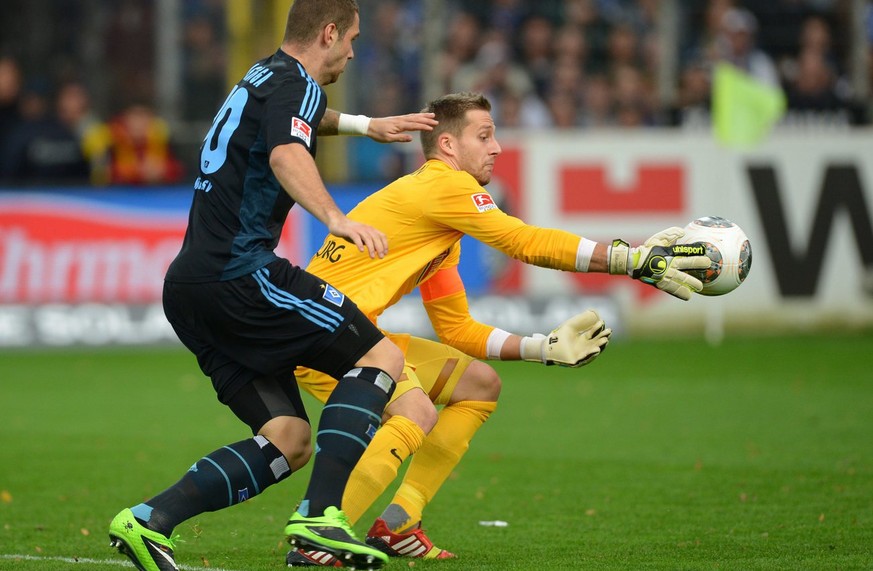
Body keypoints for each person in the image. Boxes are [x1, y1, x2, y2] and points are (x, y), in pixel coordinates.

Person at [286, 91, 710, 566]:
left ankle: (399, 523)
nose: (497, 148)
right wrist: (628, 258)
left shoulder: (437, 222)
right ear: (447, 145)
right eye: (484, 135)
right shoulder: (443, 187)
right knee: (417, 410)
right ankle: (318, 540)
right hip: (326, 333)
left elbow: (457, 328)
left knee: (479, 386)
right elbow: (522, 240)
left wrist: (542, 348)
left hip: (344, 331)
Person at [107, 1, 437, 570]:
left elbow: (297, 123)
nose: (354, 52)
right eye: (352, 39)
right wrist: (336, 217)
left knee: (288, 437)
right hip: (242, 275)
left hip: (189, 289)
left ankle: (146, 521)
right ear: (328, 33)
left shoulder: (261, 76)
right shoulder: (298, 83)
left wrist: (366, 126)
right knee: (379, 356)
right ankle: (321, 517)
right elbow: (287, 151)